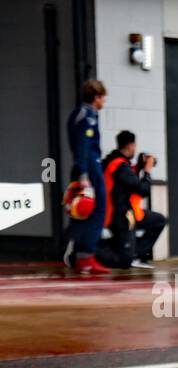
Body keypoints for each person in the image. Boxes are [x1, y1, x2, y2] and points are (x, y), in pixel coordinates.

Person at [97, 131, 167, 269]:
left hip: (129, 213)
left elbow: (127, 181)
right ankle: (90, 248)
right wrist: (146, 171)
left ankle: (136, 253)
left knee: (159, 220)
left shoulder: (115, 162)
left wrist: (139, 167)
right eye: (134, 146)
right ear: (130, 146)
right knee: (123, 260)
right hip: (120, 216)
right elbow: (142, 189)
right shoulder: (119, 166)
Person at [65, 79, 111, 274]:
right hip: (90, 168)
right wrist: (84, 175)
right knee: (97, 210)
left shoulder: (77, 114)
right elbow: (83, 146)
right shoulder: (88, 116)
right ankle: (86, 256)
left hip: (85, 167)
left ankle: (80, 254)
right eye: (103, 98)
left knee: (82, 212)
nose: (104, 102)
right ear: (96, 97)